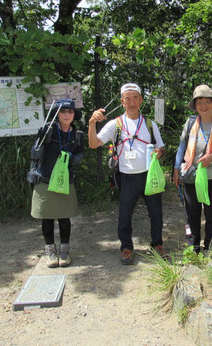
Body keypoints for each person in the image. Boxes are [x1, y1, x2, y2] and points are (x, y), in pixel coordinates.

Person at [88, 83, 166, 265]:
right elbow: (93, 144)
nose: (131, 102)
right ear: (122, 101)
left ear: (141, 100)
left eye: (135, 98)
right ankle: (126, 247)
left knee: (156, 213)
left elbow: (160, 147)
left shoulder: (149, 124)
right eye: (127, 99)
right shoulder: (115, 124)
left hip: (149, 175)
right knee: (125, 215)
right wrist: (92, 123)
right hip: (126, 177)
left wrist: (158, 153)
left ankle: (157, 245)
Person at [173, 85, 212, 253]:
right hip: (192, 175)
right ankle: (193, 246)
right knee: (191, 213)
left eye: (207, 101)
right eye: (200, 102)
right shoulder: (191, 122)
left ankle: (211, 246)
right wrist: (177, 168)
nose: (203, 105)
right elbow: (182, 145)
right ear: (195, 105)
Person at [31, 99, 84, 268]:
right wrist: (39, 143)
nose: (67, 114)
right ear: (57, 114)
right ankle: (50, 251)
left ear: (74, 115)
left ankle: (64, 250)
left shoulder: (77, 135)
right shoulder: (48, 131)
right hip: (45, 180)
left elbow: (79, 156)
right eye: (63, 111)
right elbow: (34, 152)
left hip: (64, 181)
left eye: (70, 112)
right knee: (47, 217)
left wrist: (73, 158)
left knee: (63, 216)